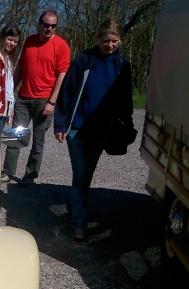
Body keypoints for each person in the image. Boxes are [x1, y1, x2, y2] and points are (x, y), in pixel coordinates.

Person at [53, 18, 134, 241]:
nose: (110, 45)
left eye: (114, 41)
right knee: (80, 174)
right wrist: (60, 123)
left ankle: (76, 207)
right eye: (106, 40)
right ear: (98, 39)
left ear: (120, 41)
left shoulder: (121, 65)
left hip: (102, 130)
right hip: (77, 128)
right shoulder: (84, 61)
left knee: (86, 174)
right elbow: (67, 92)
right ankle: (79, 222)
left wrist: (126, 125)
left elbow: (126, 99)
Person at [7, 9, 70, 186]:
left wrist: (52, 101)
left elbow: (61, 75)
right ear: (39, 24)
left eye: (53, 26)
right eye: (46, 25)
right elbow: (20, 67)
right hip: (24, 98)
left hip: (44, 100)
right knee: (15, 136)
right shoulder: (29, 41)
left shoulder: (61, 46)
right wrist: (10, 90)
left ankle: (30, 175)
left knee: (38, 141)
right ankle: (8, 172)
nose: (49, 29)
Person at [0, 25, 21, 182]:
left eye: (15, 41)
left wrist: (10, 107)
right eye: (10, 39)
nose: (12, 43)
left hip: (3, 106)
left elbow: (8, 85)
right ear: (3, 38)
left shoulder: (7, 58)